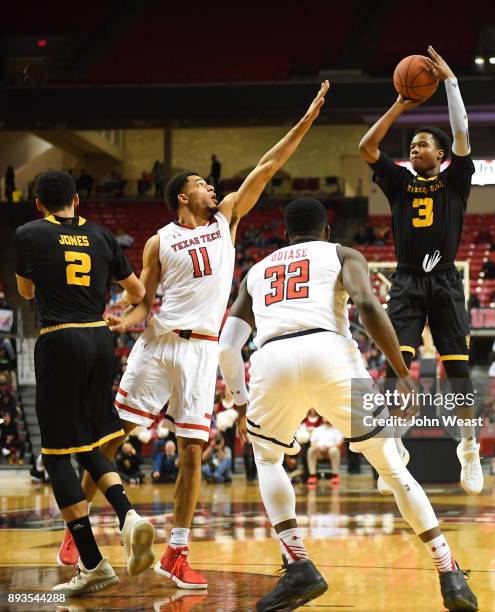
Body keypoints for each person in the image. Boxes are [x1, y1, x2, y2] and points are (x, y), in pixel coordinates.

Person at [55, 82, 331, 590]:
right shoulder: (160, 239)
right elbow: (145, 298)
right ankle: (77, 534)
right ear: (183, 196)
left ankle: (176, 553)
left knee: (191, 453)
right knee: (112, 438)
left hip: (204, 349)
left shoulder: (227, 217)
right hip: (159, 344)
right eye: (203, 183)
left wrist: (307, 119)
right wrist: (124, 317)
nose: (212, 187)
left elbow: (266, 167)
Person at [218, 197, 478, 612]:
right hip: (331, 353)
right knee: (392, 467)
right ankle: (449, 573)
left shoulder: (256, 271)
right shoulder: (342, 253)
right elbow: (370, 306)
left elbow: (228, 346)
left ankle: (298, 562)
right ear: (325, 231)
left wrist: (242, 402)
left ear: (285, 235)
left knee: (268, 461)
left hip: (271, 358)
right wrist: (400, 374)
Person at [14, 170, 154, 595]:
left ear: (39, 203)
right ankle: (129, 515)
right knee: (90, 442)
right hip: (99, 338)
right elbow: (138, 291)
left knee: (57, 455)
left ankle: (92, 563)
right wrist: (116, 308)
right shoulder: (102, 235)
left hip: (60, 338)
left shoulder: (28, 233)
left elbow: (25, 292)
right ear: (78, 198)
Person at [358, 46, 482, 496]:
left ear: (441, 152)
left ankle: (468, 447)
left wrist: (450, 83)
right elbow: (366, 147)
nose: (414, 148)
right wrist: (400, 103)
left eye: (423, 143)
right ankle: (393, 447)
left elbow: (463, 132)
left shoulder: (456, 178)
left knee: (459, 374)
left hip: (445, 279)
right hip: (407, 281)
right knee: (397, 370)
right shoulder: (398, 182)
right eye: (411, 146)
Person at [307, 420, 344, 487]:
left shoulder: (337, 430)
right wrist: (319, 447)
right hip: (319, 452)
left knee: (334, 450)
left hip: (330, 452)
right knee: (311, 450)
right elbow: (312, 443)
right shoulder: (318, 429)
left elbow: (339, 444)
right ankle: (312, 475)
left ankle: (335, 475)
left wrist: (327, 447)